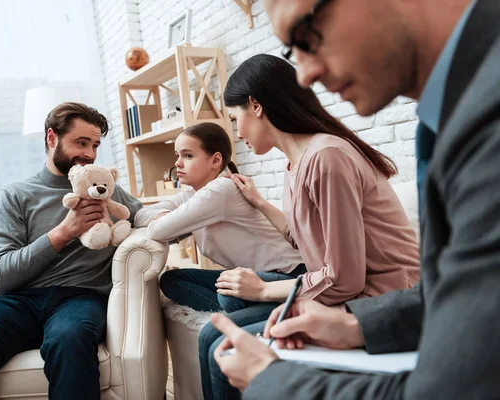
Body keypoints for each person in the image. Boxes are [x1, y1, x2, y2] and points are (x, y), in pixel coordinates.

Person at [213, 0, 500, 399]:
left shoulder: (482, 122)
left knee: (221, 339)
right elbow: (450, 292)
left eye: (307, 33)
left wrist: (269, 377)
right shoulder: (443, 121)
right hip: (377, 305)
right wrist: (357, 326)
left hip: (370, 292)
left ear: (257, 106)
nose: (307, 74)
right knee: (222, 316)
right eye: (291, 51)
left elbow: (452, 385)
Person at [201, 53, 420, 399]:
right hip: (348, 293)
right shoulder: (296, 163)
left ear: (255, 105)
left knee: (220, 348)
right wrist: (258, 202)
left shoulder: (326, 157)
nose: (236, 132)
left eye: (234, 118)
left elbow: (344, 277)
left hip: (383, 300)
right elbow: (303, 237)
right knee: (212, 334)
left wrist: (262, 290)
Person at [0, 102, 142, 399]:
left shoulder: (105, 189)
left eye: (95, 145)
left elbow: (149, 218)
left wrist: (204, 199)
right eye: (81, 143)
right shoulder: (16, 195)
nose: (90, 154)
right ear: (51, 138)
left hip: (81, 298)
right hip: (19, 301)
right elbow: (1, 275)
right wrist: (63, 232)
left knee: (70, 339)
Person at [134, 122, 305, 399]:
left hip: (287, 276)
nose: (178, 163)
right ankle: (243, 307)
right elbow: (142, 216)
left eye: (188, 156)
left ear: (215, 160)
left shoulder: (220, 191)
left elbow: (155, 229)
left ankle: (242, 307)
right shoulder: (194, 194)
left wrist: (168, 223)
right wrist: (167, 219)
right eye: (177, 155)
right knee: (173, 280)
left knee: (228, 296)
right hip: (250, 276)